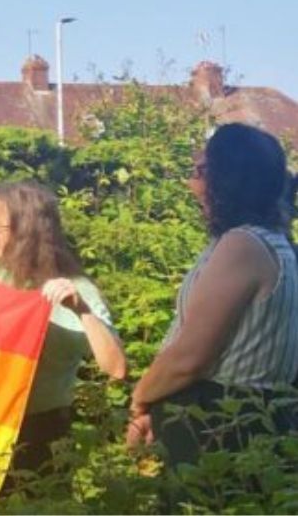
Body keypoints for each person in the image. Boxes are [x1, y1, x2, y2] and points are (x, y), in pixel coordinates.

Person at [127, 124, 298, 482]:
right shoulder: (279, 245)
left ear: (229, 179)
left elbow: (189, 357)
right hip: (256, 423)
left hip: (220, 426)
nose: (193, 186)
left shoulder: (243, 246)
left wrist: (141, 399)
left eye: (202, 171)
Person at [0, 181, 126, 481]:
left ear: (24, 232)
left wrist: (81, 310)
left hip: (41, 433)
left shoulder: (76, 288)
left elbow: (116, 368)